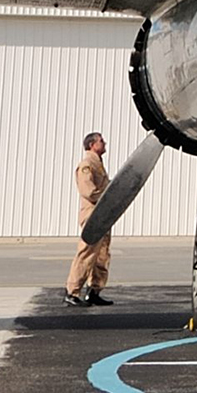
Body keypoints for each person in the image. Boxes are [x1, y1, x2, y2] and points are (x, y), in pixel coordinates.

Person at [66, 131, 115, 307]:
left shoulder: (98, 164)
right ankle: (72, 292)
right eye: (101, 141)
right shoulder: (87, 165)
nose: (105, 143)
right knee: (86, 253)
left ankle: (94, 290)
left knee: (102, 254)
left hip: (102, 215)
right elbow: (89, 191)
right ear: (92, 145)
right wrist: (109, 195)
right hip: (93, 215)